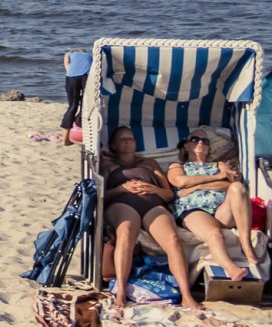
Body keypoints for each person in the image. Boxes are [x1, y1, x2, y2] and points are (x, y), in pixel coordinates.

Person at [101, 126, 200, 312]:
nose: (128, 141)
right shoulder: (108, 166)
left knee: (173, 240)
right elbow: (102, 196)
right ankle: (121, 292)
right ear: (113, 144)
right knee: (126, 232)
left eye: (131, 138)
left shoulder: (149, 164)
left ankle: (187, 295)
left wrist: (154, 190)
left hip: (153, 205)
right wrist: (122, 189)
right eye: (122, 139)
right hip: (123, 203)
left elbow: (169, 194)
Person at [168, 127, 262, 280]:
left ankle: (246, 246)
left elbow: (229, 185)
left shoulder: (219, 165)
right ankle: (231, 268)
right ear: (185, 146)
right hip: (193, 209)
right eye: (194, 139)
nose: (200, 143)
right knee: (214, 233)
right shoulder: (178, 166)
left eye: (205, 141)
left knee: (237, 188)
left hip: (222, 211)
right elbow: (180, 181)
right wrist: (217, 178)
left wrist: (197, 186)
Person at [60, 49, 92, 145]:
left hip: (72, 77)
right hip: (87, 76)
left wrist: (72, 73)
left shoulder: (69, 53)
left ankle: (65, 139)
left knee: (72, 106)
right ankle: (81, 126)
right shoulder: (90, 55)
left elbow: (67, 66)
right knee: (86, 105)